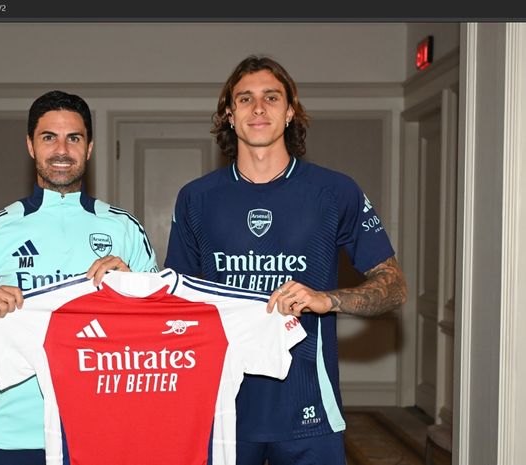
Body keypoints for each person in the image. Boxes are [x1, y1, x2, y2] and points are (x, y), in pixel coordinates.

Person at [164, 55, 408, 465]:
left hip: (308, 407)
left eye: (272, 97)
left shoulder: (334, 192)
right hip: (222, 406)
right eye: (245, 99)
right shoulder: (196, 198)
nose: (258, 108)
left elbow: (395, 286)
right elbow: (175, 300)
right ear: (229, 115)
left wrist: (327, 299)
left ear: (291, 111)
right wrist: (122, 285)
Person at [0, 90, 158, 465]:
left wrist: (133, 286)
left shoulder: (124, 228)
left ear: (89, 148)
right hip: (15, 433)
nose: (62, 150)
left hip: (104, 429)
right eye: (49, 137)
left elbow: (165, 325)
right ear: (30, 146)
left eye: (74, 138)